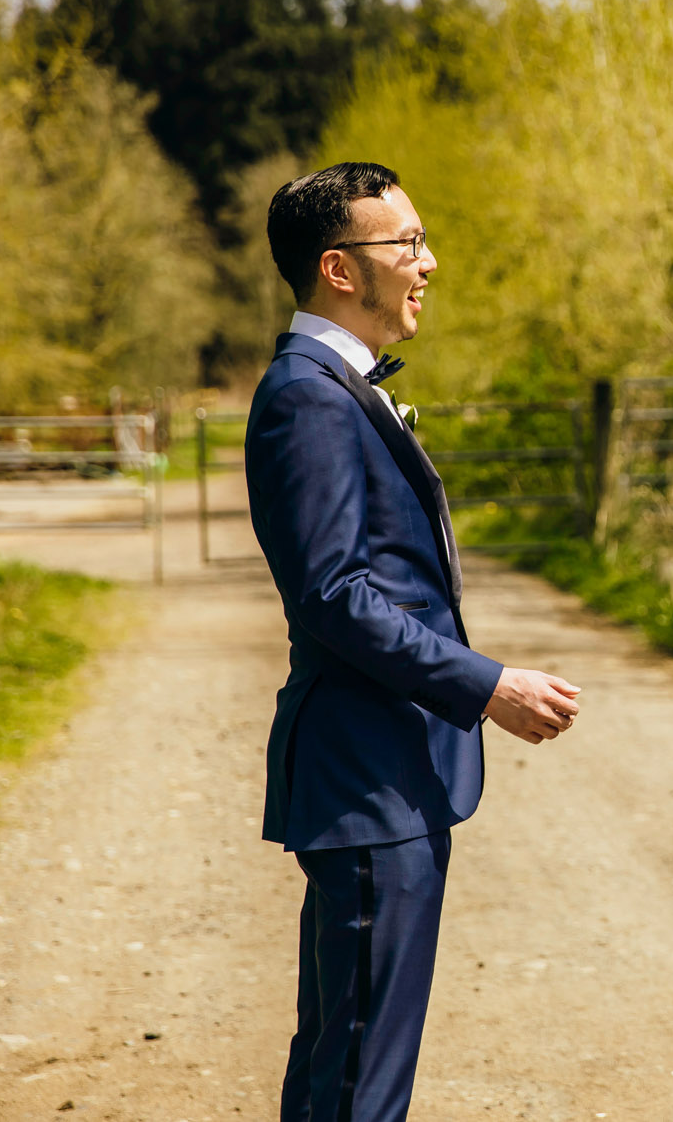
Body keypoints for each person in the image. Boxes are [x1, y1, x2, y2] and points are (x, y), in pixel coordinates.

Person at [246, 162, 584, 1121]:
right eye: (406, 244)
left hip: (384, 773)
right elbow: (334, 595)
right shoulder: (309, 395)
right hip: (367, 776)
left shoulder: (331, 383)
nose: (426, 262)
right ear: (339, 269)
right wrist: (486, 686)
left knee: (345, 1061)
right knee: (359, 1077)